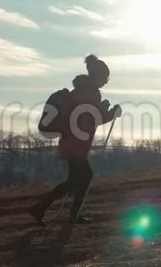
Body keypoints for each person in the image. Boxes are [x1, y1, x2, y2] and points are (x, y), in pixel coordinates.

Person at [27, 54, 122, 226]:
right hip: (75, 142)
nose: (106, 80)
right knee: (84, 177)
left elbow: (86, 116)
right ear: (96, 75)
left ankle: (42, 208)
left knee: (76, 180)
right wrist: (110, 114)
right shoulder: (89, 92)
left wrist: (104, 111)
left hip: (72, 141)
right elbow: (87, 120)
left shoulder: (83, 89)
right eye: (105, 77)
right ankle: (66, 214)